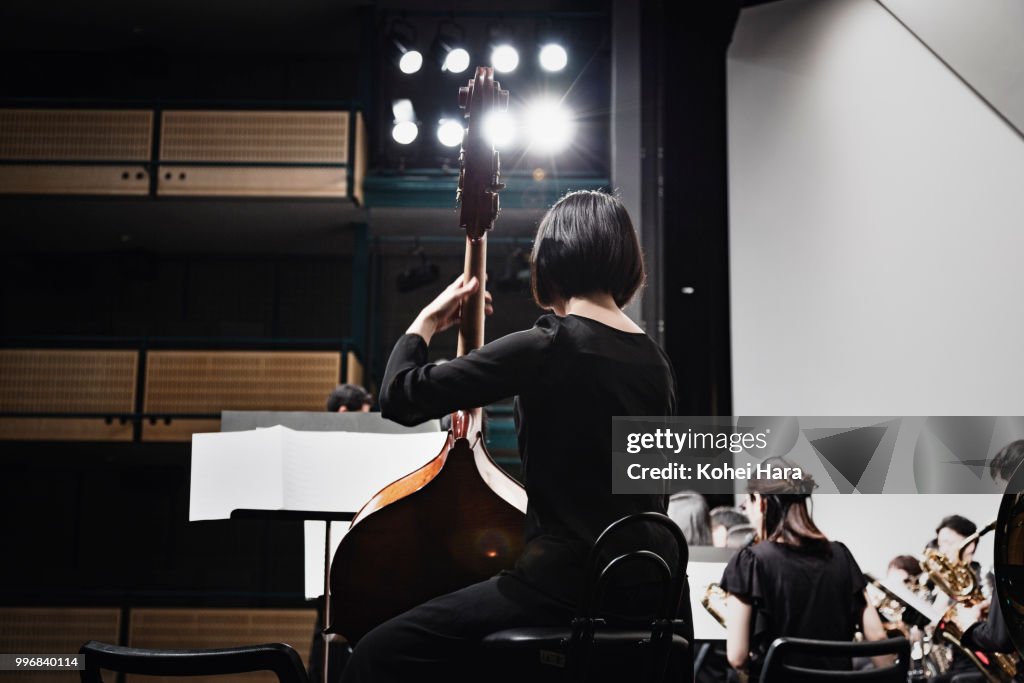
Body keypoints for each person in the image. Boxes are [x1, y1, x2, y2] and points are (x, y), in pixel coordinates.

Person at [339, 190, 690, 683]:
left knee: (375, 655)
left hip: (563, 591)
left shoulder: (549, 344)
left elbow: (399, 397)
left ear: (551, 260)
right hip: (654, 596)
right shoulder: (657, 364)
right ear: (626, 261)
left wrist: (425, 323)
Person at [719, 459, 890, 679]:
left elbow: (737, 656)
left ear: (761, 502)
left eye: (747, 505)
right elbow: (876, 637)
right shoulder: (841, 556)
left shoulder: (751, 561)